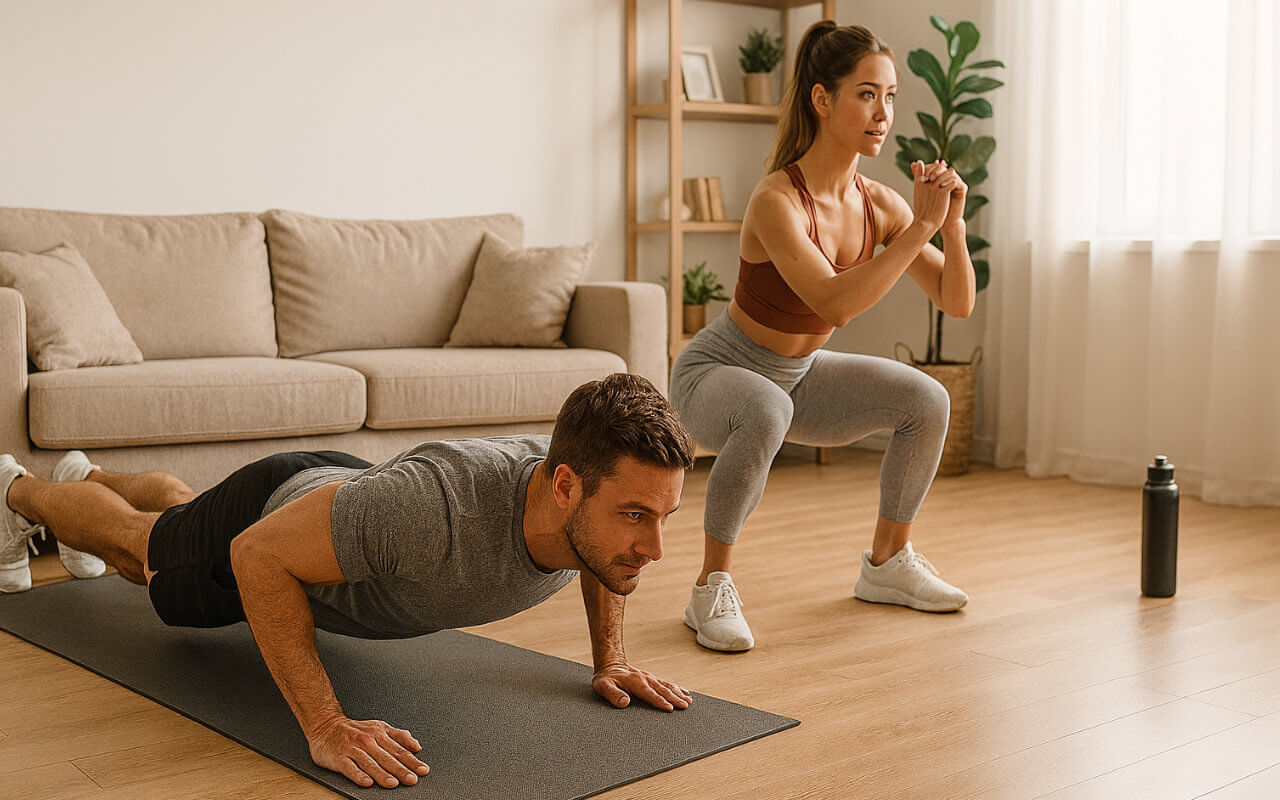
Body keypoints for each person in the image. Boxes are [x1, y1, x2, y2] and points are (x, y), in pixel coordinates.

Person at [0, 373, 695, 790]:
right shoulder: (437, 510)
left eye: (661, 515)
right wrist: (325, 724)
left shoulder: (581, 509)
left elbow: (608, 552)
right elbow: (257, 555)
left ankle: (82, 477)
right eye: (636, 515)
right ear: (566, 487)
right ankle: (19, 491)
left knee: (181, 513)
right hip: (274, 511)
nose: (654, 547)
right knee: (142, 553)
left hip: (344, 499)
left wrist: (613, 658)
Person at [670, 21, 975, 653]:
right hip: (718, 373)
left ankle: (888, 564)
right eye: (867, 94)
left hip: (799, 377)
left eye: (891, 97)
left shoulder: (880, 203)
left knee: (928, 401)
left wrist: (952, 227)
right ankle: (710, 586)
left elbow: (957, 301)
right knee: (766, 406)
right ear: (822, 99)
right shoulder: (776, 200)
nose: (883, 113)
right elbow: (834, 302)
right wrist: (919, 228)